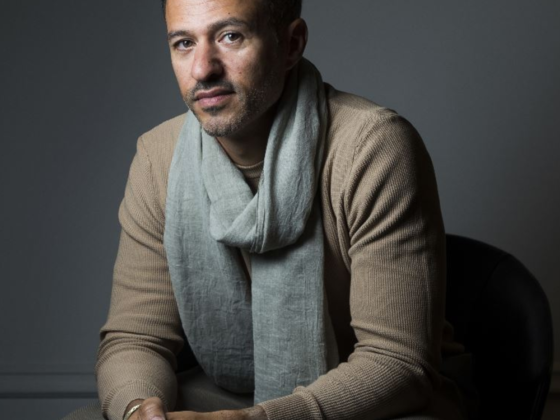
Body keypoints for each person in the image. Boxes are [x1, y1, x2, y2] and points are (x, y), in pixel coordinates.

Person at [95, 0, 473, 419]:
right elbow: (135, 338)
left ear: (291, 44)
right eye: (184, 43)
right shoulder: (158, 159)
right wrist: (139, 409)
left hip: (379, 402)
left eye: (230, 36)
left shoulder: (373, 148)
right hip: (231, 395)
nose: (202, 69)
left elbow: (398, 362)